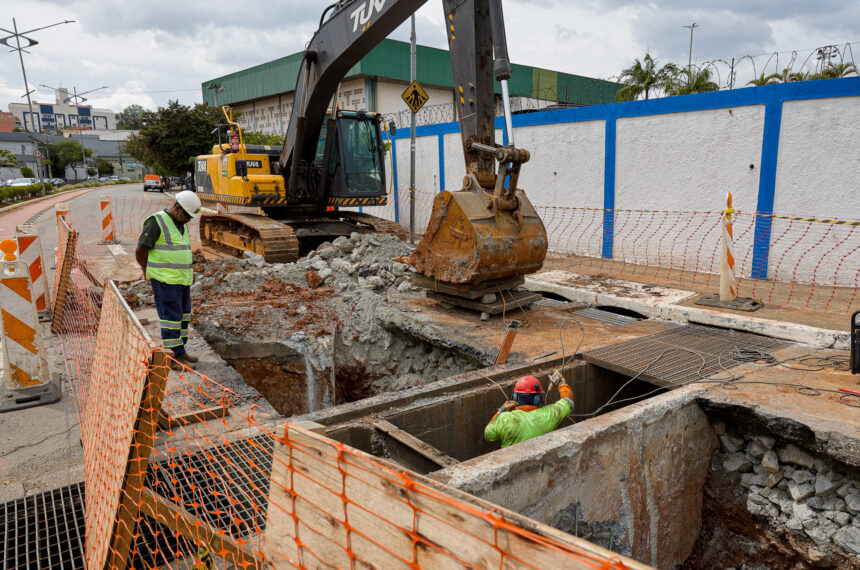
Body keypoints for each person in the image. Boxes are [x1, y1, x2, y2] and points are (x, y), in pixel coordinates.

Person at [135, 191, 202, 369]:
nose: (189, 220)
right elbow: (140, 251)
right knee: (171, 318)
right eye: (187, 216)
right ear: (177, 208)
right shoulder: (156, 222)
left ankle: (180, 351)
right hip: (165, 281)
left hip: (181, 280)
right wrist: (146, 269)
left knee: (182, 316)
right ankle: (173, 358)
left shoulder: (181, 223)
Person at [485, 373, 574, 448]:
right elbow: (568, 402)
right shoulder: (550, 413)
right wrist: (560, 382)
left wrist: (500, 411)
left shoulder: (505, 418)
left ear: (515, 396)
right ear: (537, 399)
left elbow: (489, 435)